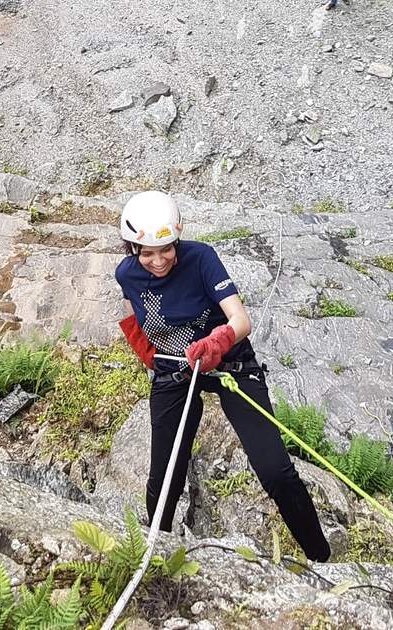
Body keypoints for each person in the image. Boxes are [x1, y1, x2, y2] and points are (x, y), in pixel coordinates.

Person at [114, 190, 331, 562]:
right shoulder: (127, 273)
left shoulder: (201, 259)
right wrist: (142, 344)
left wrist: (220, 339)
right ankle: (154, 556)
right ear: (132, 249)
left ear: (177, 238)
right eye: (146, 252)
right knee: (165, 477)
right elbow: (133, 308)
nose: (158, 260)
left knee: (275, 470)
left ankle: (321, 558)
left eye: (165, 248)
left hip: (229, 362)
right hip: (175, 367)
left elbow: (240, 320)